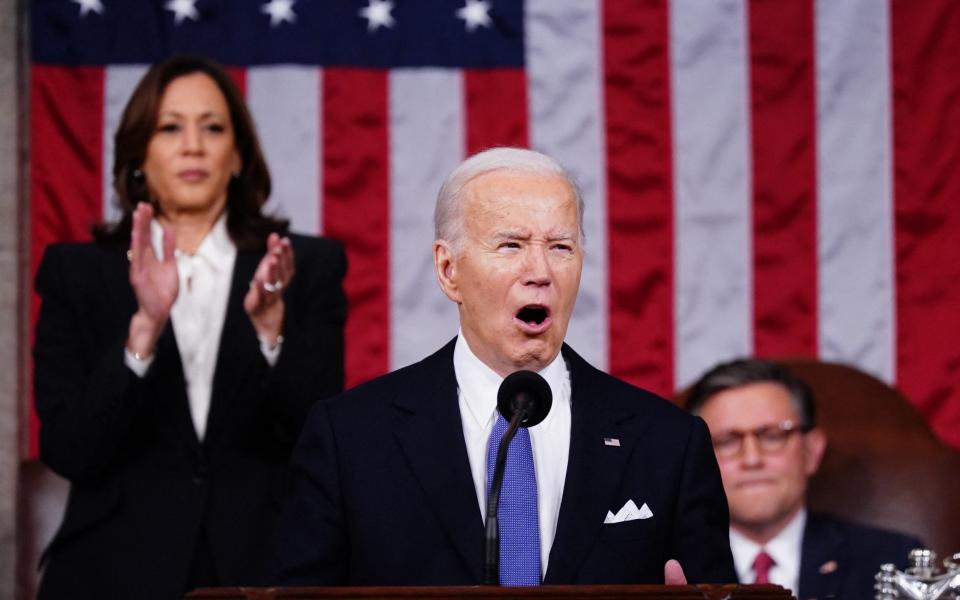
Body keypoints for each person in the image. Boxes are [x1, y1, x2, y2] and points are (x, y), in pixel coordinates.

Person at [272, 147, 735, 586]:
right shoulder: (350, 439)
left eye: (561, 247)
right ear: (448, 269)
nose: (540, 271)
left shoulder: (667, 442)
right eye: (511, 245)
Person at [33, 55, 346, 599]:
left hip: (262, 570)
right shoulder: (74, 272)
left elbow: (316, 444)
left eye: (213, 127)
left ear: (238, 155)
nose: (193, 145)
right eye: (170, 127)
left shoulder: (304, 268)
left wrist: (272, 334)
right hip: (110, 572)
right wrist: (142, 334)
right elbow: (69, 450)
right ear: (138, 157)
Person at [685, 358, 922, 600]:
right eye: (727, 441)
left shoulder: (892, 561)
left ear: (811, 451)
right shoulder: (668, 568)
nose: (752, 459)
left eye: (773, 436)